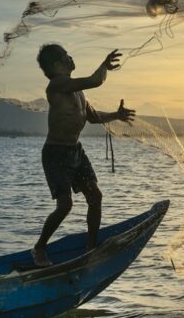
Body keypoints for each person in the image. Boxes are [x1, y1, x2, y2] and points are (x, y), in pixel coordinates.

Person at [31, 45, 135, 268]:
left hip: (75, 152)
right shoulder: (57, 85)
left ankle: (91, 247)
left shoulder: (78, 91)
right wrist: (104, 66)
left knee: (95, 197)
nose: (71, 57)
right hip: (55, 153)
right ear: (58, 64)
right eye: (67, 55)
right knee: (65, 205)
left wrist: (116, 115)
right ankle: (39, 247)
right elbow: (95, 80)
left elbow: (93, 117)